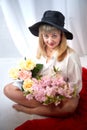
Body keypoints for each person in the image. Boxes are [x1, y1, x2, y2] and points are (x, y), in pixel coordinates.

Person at [4, 10, 82, 117]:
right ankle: (49, 108)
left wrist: (60, 90)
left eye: (54, 35)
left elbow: (76, 85)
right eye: (46, 36)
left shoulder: (71, 56)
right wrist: (25, 77)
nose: (50, 40)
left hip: (59, 94)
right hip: (38, 90)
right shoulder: (36, 52)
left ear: (61, 35)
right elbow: (30, 74)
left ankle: (32, 110)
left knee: (70, 107)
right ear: (41, 36)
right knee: (8, 89)